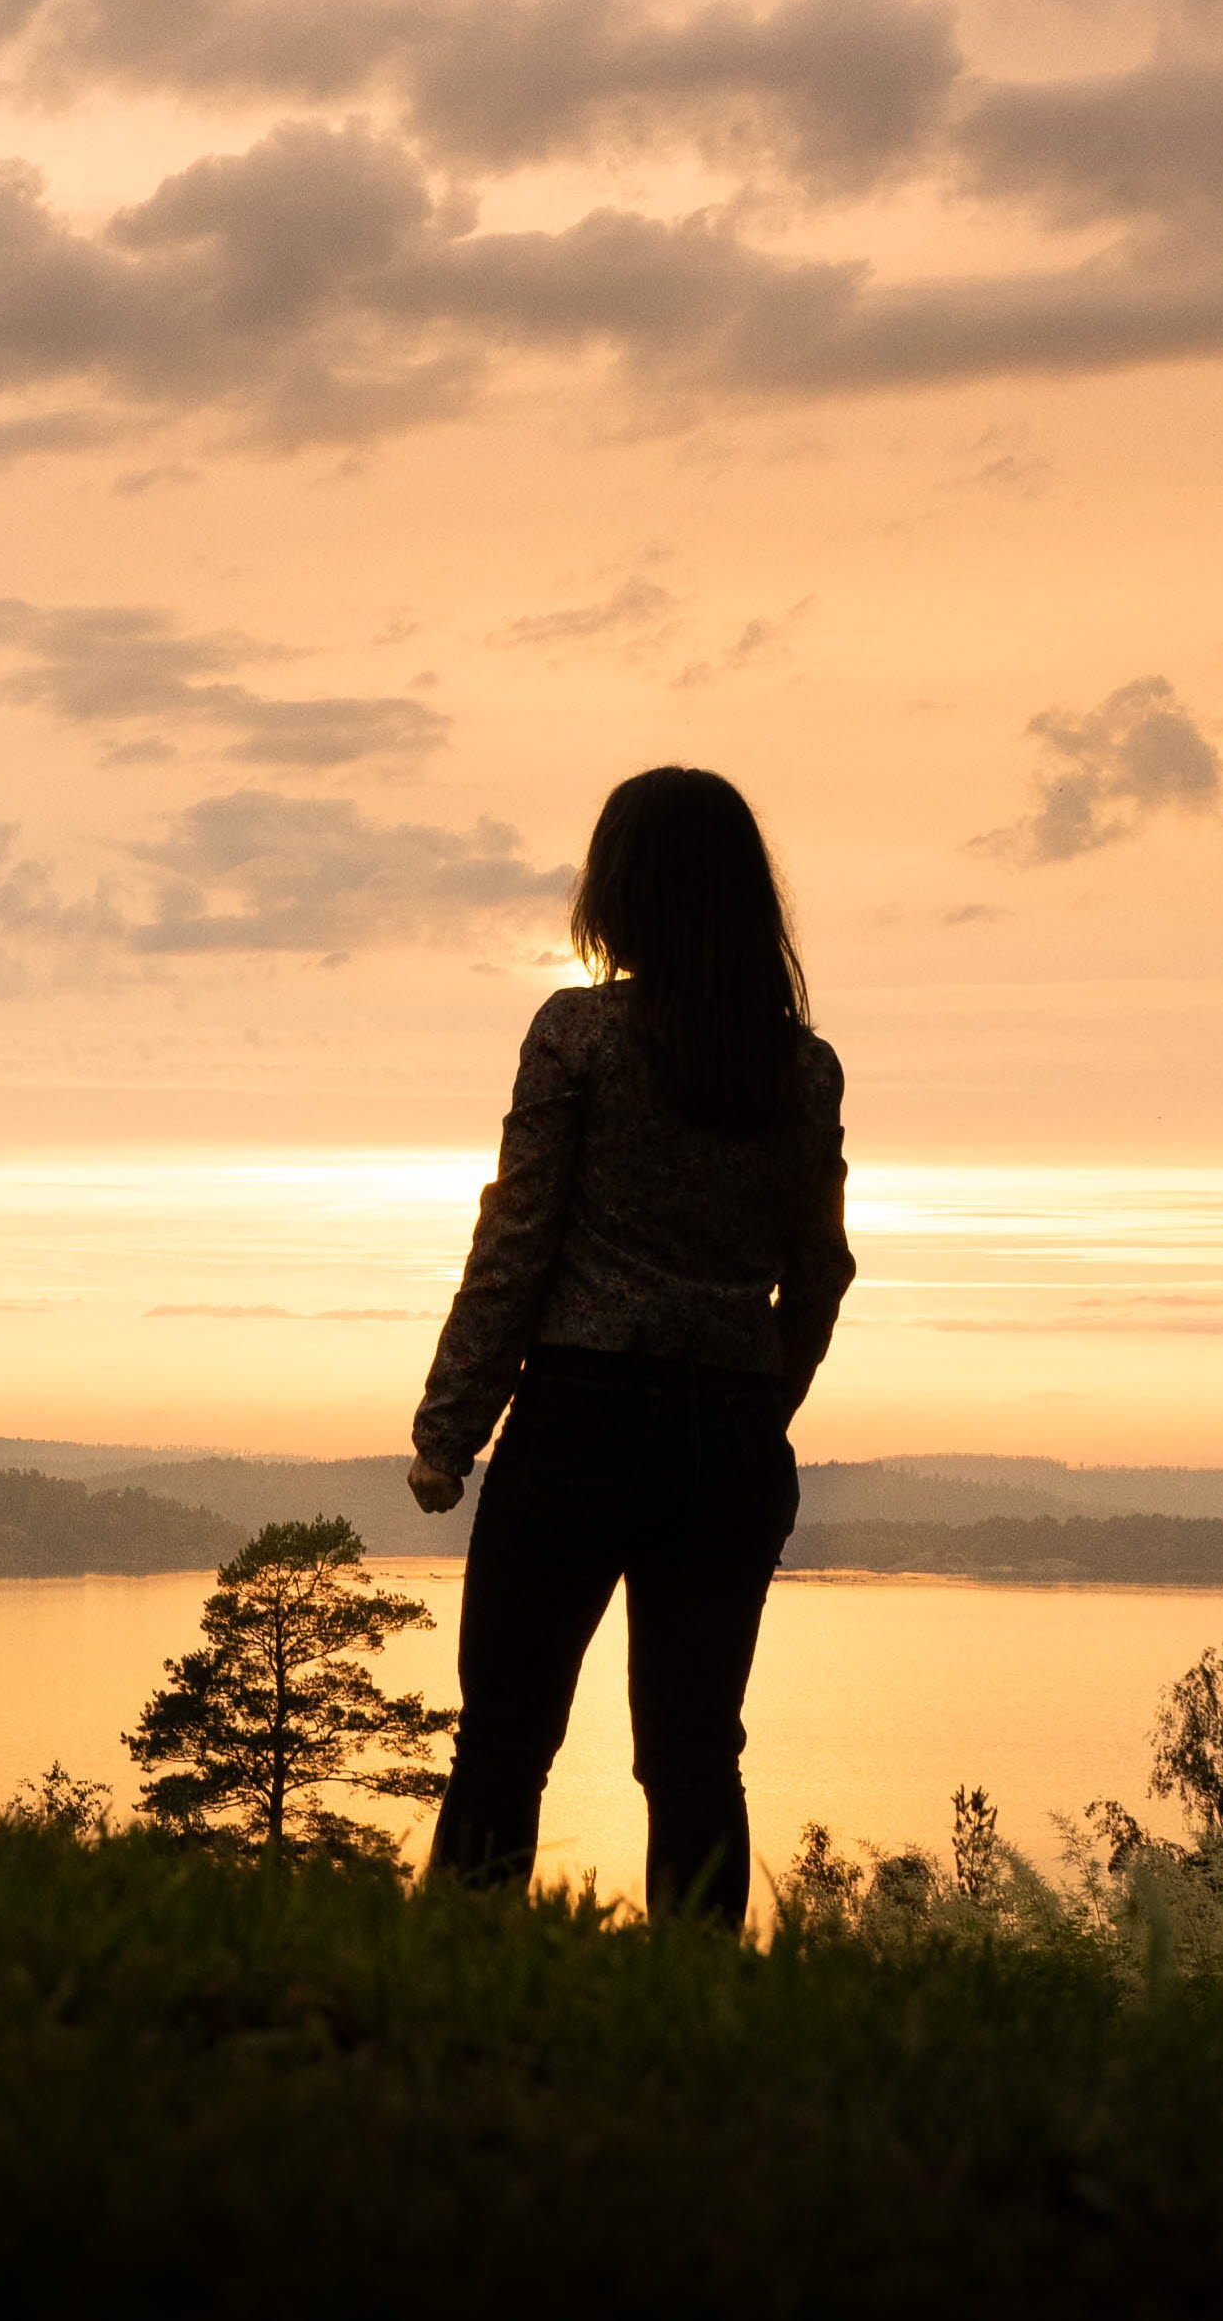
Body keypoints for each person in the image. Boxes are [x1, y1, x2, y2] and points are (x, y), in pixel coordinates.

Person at [409, 766, 853, 1928]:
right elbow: (818, 1271)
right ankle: (697, 2023)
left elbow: (515, 1238)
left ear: (622, 889)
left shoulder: (577, 1033)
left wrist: (447, 1432)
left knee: (504, 1737)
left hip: (581, 1417)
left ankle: (451, 1985)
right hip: (728, 1440)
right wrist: (761, 1402)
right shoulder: (801, 1068)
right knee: (697, 1752)